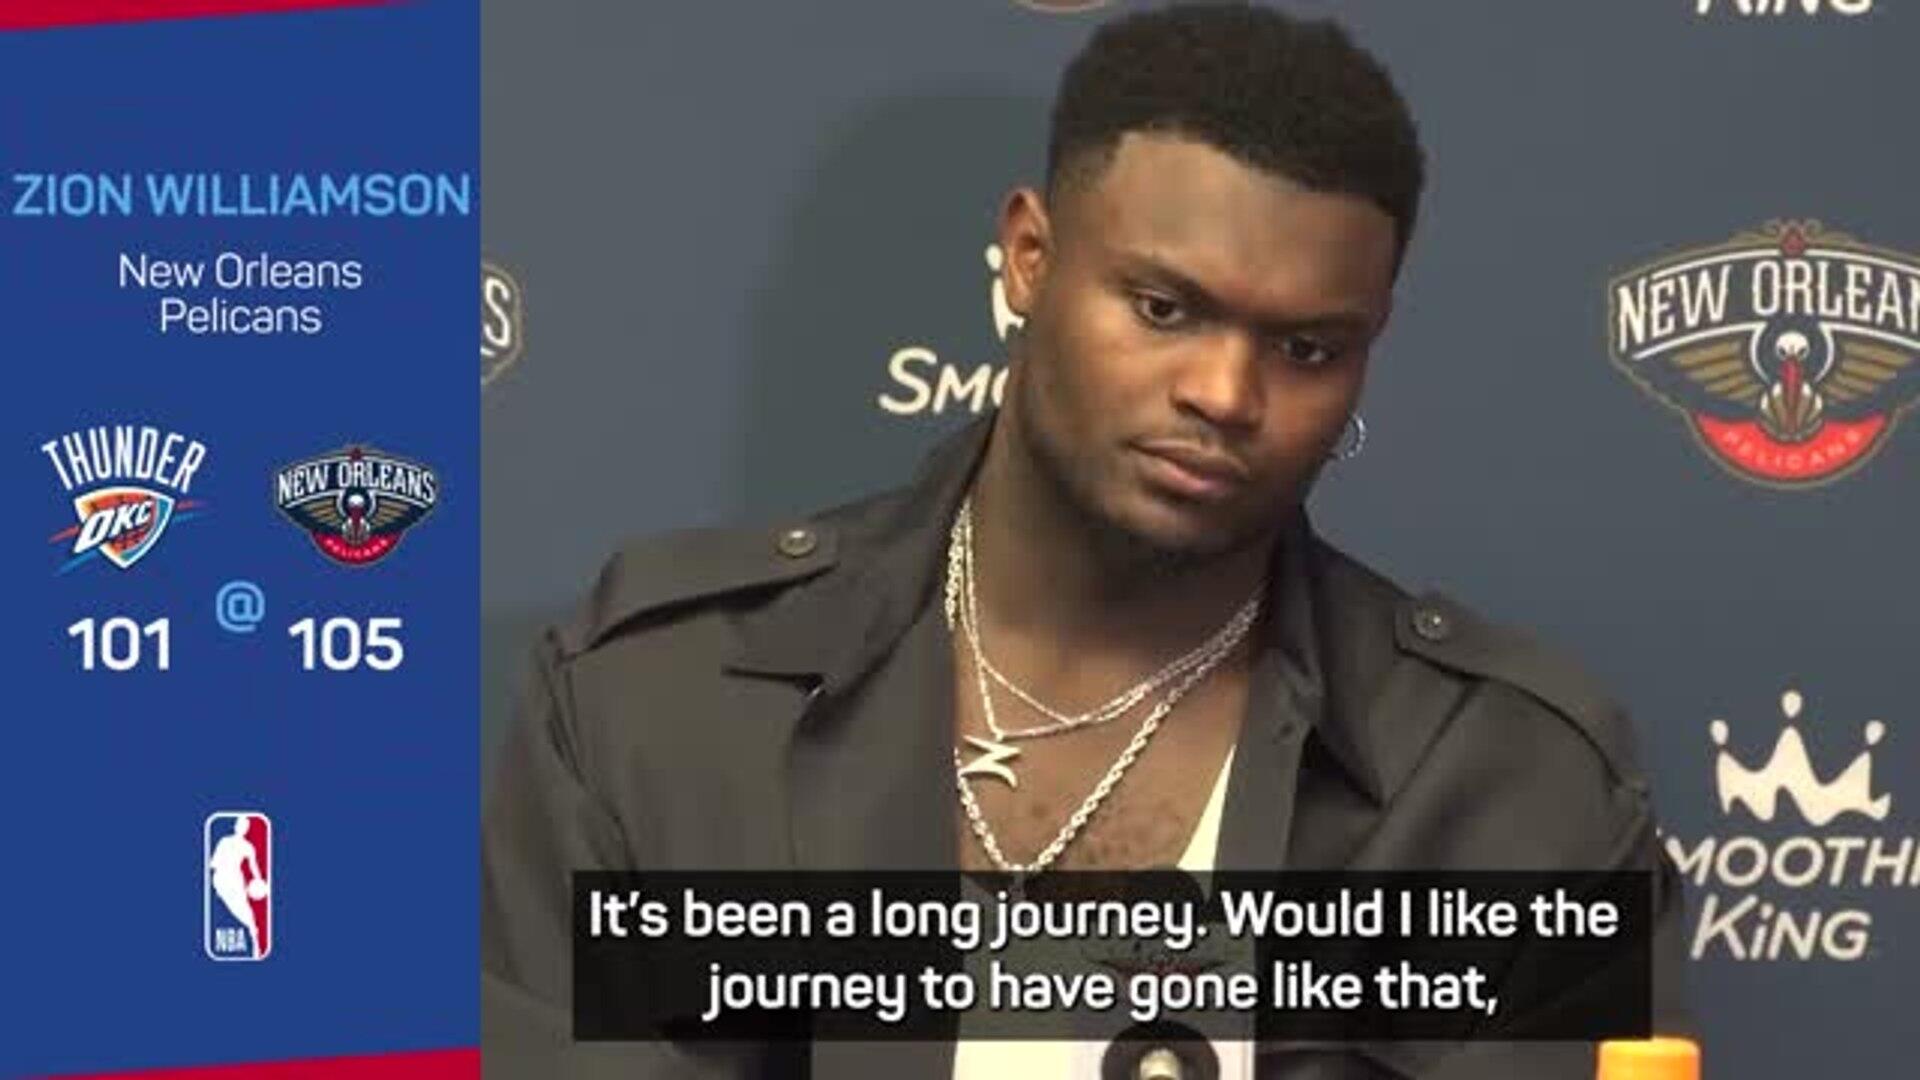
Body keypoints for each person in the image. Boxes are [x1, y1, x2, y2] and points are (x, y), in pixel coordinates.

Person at [482, 4, 1691, 1077]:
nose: (1226, 392)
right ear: (1029, 257)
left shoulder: (1512, 788)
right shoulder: (662, 705)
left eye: (1307, 349)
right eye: (1164, 308)